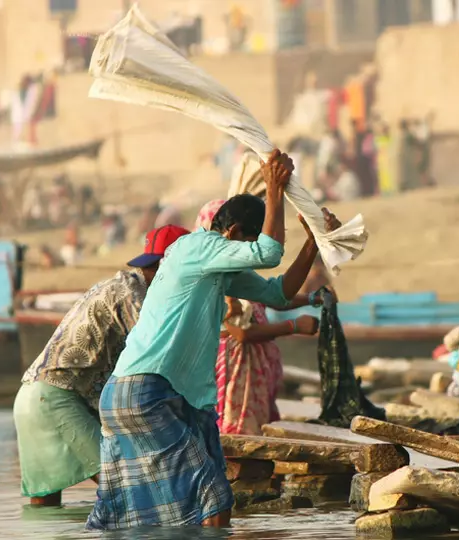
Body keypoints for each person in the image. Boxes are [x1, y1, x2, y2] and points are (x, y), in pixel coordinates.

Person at [86, 149, 342, 531]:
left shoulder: (215, 267)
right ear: (233, 234)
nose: (248, 254)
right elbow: (269, 253)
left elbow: (278, 293)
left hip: (154, 394)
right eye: (247, 244)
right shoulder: (197, 247)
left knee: (141, 514)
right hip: (146, 392)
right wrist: (273, 187)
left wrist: (312, 243)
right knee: (213, 498)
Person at [14, 224, 190, 507]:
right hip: (57, 397)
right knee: (125, 488)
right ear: (166, 265)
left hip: (32, 395)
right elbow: (158, 354)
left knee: (45, 509)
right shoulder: (132, 296)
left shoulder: (121, 285)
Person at [193, 200, 323, 436]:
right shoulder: (213, 272)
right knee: (237, 434)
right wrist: (293, 326)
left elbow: (273, 296)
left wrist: (311, 298)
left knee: (255, 432)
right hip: (236, 369)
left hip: (254, 368)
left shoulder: (236, 271)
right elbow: (241, 333)